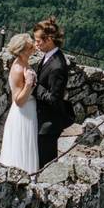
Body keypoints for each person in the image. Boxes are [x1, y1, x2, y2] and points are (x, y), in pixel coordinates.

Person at [32, 17, 73, 168]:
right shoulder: (50, 56)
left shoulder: (57, 66)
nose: (36, 44)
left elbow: (54, 98)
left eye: (38, 40)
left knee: (46, 164)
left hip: (48, 125)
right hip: (43, 119)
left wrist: (34, 86)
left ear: (49, 39)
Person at [0, 33, 39, 174]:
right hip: (23, 113)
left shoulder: (24, 63)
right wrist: (28, 85)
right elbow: (19, 101)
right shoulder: (17, 69)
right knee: (21, 148)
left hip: (29, 111)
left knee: (28, 147)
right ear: (21, 51)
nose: (33, 48)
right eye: (29, 47)